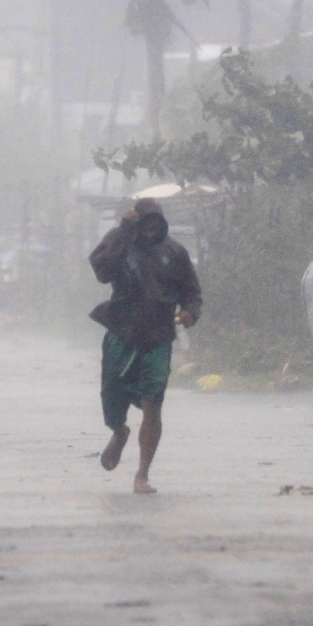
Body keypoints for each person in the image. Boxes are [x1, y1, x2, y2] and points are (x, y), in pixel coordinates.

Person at [87, 197, 201, 494]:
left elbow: (191, 290)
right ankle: (119, 430)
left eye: (156, 224)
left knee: (154, 403)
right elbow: (101, 271)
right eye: (144, 223)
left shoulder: (175, 252)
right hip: (121, 333)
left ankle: (142, 473)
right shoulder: (120, 241)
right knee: (112, 396)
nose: (150, 230)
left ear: (162, 224)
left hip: (159, 337)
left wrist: (190, 311)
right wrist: (124, 233)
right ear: (135, 221)